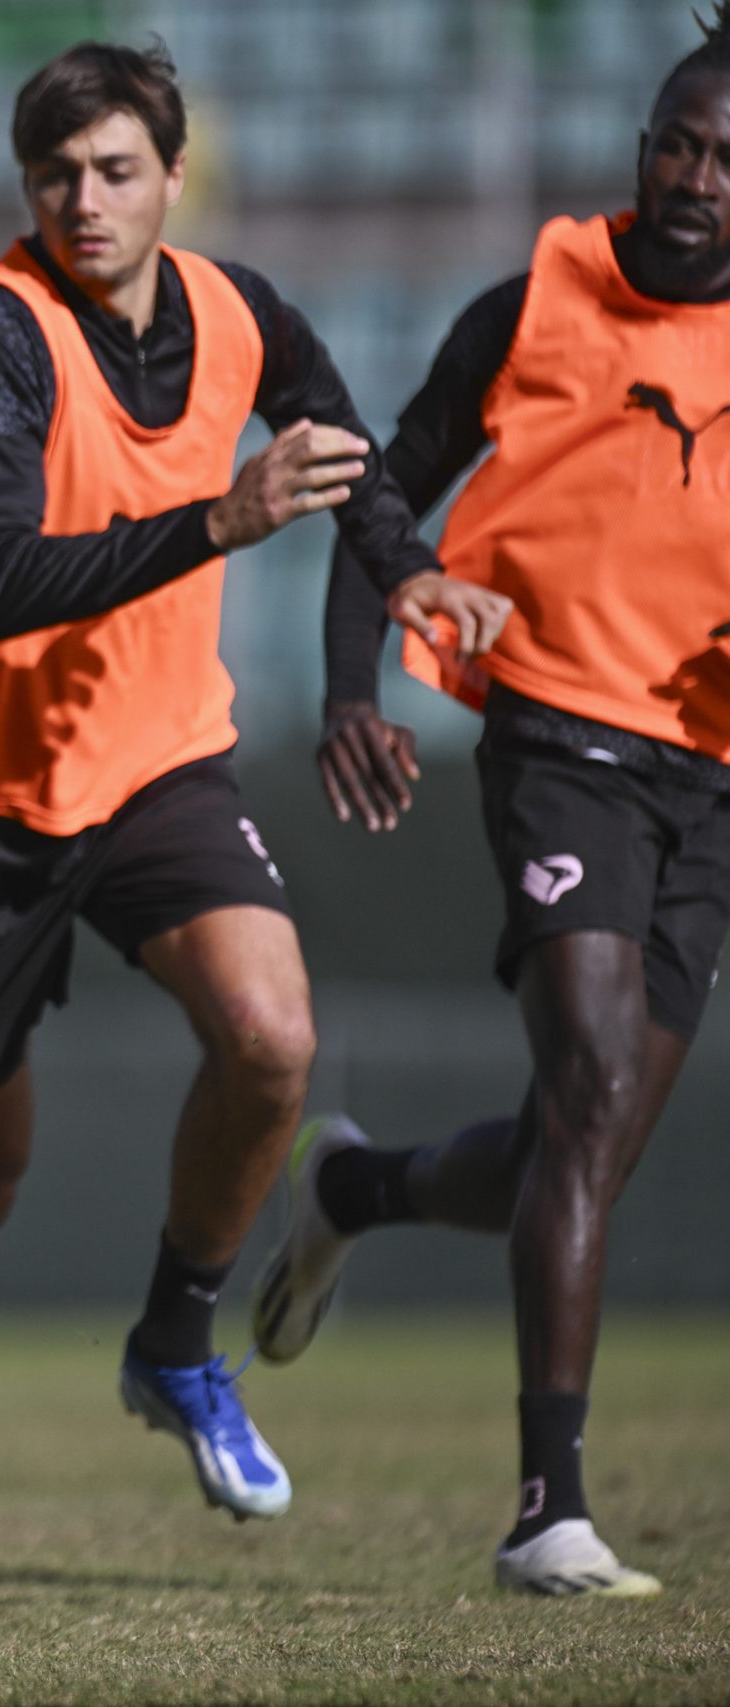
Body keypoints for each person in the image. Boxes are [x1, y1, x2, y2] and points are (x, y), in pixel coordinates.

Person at [0, 39, 511, 1601]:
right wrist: (217, 520)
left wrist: (403, 569)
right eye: (56, 174)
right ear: (29, 188)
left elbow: (346, 462)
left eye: (115, 170)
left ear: (170, 175)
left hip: (157, 760)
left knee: (275, 1039)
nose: (84, 200)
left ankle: (176, 1336)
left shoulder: (236, 309)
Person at [257, 2, 730, 1601]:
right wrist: (347, 687)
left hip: (707, 773)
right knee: (588, 1084)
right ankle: (550, 1511)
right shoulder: (540, 296)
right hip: (559, 733)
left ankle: (355, 1186)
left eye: (728, 157)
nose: (695, 174)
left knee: (569, 1145)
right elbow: (376, 486)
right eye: (677, 138)